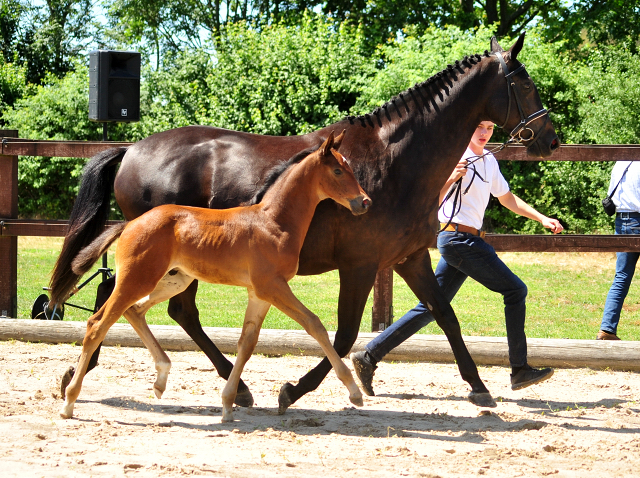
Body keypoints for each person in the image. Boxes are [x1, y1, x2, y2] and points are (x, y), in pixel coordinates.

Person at [351, 121, 564, 396]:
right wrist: (450, 177)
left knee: (431, 307)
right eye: (478, 127)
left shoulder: (488, 159)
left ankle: (368, 356)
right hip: (458, 239)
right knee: (515, 290)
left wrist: (541, 218)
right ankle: (520, 369)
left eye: (489, 127)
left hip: (468, 241)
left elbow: (507, 198)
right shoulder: (453, 157)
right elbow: (428, 202)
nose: (485, 133)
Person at [597, 161, 640, 341]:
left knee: (621, 277)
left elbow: (610, 196)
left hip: (622, 221)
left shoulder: (620, 163)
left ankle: (607, 329)